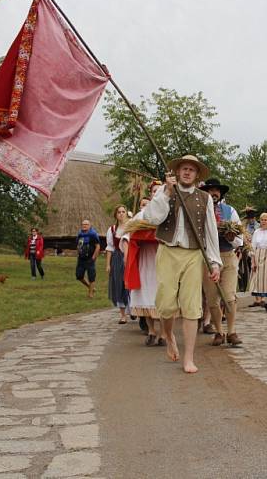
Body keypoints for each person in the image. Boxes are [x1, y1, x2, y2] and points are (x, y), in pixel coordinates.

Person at [143, 154, 221, 374]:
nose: (187, 172)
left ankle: (189, 358)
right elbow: (152, 218)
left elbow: (210, 233)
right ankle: (168, 336)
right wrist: (166, 193)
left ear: (197, 175)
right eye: (184, 168)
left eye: (192, 169)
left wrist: (214, 262)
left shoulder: (204, 198)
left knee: (191, 306)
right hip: (168, 251)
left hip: (194, 255)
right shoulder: (165, 191)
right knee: (166, 305)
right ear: (177, 171)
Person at [200, 177, 244, 346]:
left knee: (229, 297)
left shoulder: (230, 211)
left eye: (217, 190)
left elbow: (240, 240)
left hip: (228, 256)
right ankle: (219, 331)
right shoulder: (200, 212)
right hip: (208, 259)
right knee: (212, 299)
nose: (214, 192)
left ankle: (232, 332)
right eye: (211, 190)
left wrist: (231, 237)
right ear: (206, 192)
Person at [122, 195, 164, 346]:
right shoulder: (140, 216)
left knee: (162, 294)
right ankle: (152, 331)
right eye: (153, 192)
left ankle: (164, 333)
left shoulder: (165, 212)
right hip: (145, 259)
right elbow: (127, 235)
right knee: (145, 292)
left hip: (162, 257)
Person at [106, 205, 130, 324]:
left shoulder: (131, 227)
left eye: (123, 211)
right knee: (119, 284)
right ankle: (123, 315)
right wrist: (108, 264)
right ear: (116, 215)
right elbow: (110, 248)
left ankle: (133, 308)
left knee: (130, 283)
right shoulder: (112, 229)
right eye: (119, 212)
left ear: (126, 213)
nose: (121, 214)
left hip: (130, 257)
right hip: (117, 258)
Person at [76, 219, 101, 297]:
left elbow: (98, 246)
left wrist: (94, 257)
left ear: (90, 225)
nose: (84, 225)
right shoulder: (80, 234)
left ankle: (90, 294)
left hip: (90, 258)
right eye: (83, 224)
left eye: (86, 224)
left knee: (91, 276)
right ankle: (90, 287)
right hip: (81, 258)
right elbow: (78, 244)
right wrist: (78, 252)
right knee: (79, 276)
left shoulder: (93, 234)